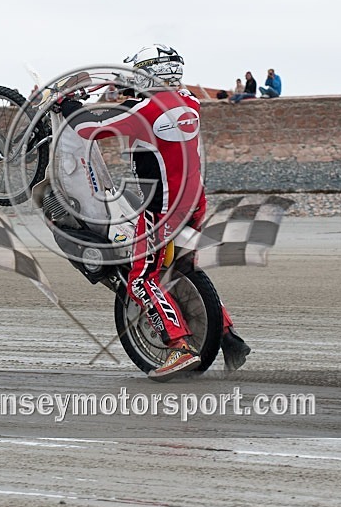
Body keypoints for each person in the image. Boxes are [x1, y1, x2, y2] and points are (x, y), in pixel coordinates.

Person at [60, 44, 251, 381]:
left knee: (142, 277)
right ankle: (227, 334)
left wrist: (70, 105)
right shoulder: (189, 103)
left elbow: (90, 128)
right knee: (181, 270)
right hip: (194, 203)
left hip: (163, 211)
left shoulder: (144, 112)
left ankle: (178, 347)